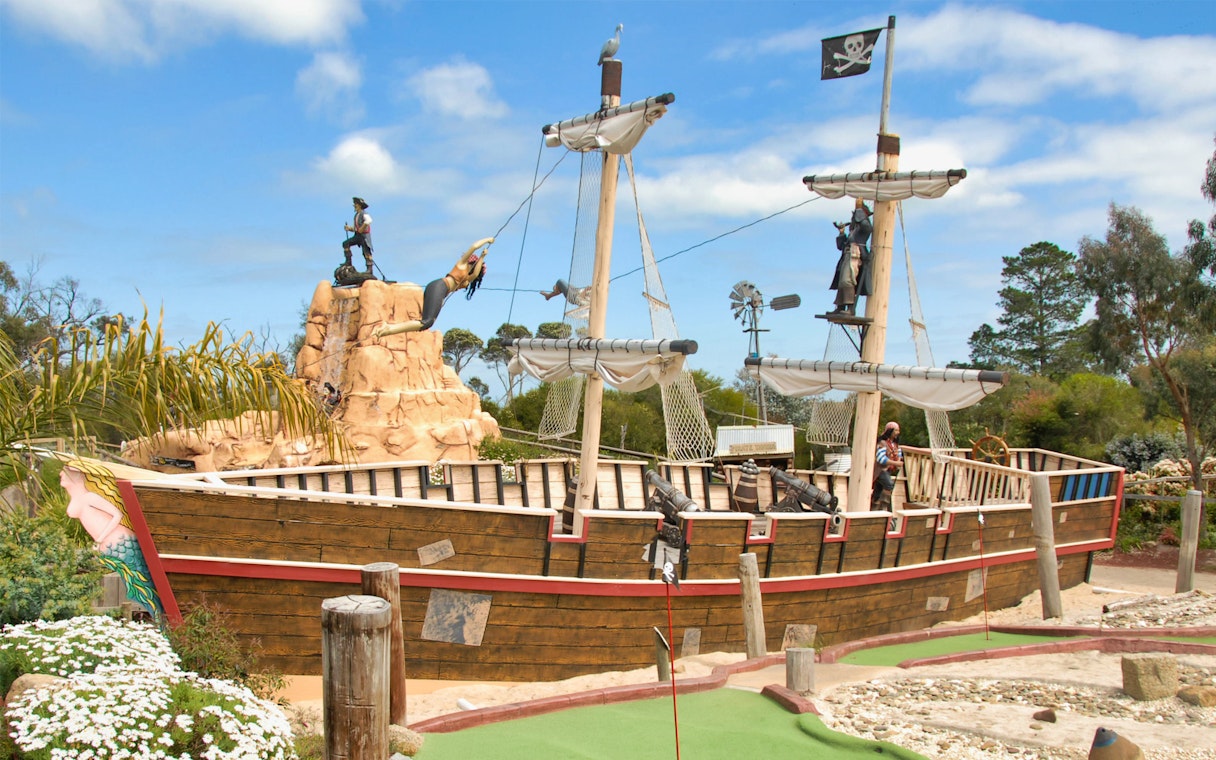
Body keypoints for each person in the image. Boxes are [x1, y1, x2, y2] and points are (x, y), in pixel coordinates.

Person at [61, 459, 162, 617]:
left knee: (142, 582)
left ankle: (160, 616)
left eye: (66, 471)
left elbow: (117, 514)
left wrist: (100, 538)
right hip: (109, 548)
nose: (61, 473)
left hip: (120, 543)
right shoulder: (80, 497)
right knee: (135, 583)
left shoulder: (90, 497)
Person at [374, 237, 494, 337]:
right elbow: (474, 247)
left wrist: (482, 257)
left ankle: (389, 329)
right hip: (439, 286)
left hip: (440, 290)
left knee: (426, 322)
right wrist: (487, 240)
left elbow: (475, 274)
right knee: (427, 322)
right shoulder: (461, 265)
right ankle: (388, 328)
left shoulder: (467, 280)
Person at [828, 198, 873, 314]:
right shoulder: (853, 232)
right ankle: (840, 307)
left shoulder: (864, 229)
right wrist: (842, 233)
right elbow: (841, 246)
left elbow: (867, 227)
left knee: (848, 280)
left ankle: (850, 308)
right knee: (842, 282)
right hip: (847, 255)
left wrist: (859, 208)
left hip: (855, 255)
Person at [871, 421, 903, 510]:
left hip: (888, 471)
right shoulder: (882, 443)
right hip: (881, 470)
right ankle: (884, 507)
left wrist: (898, 461)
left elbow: (898, 455)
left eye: (898, 430)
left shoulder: (895, 445)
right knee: (889, 485)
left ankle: (874, 508)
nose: (897, 433)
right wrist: (895, 463)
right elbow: (881, 458)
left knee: (878, 490)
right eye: (896, 430)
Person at [343, 197, 374, 274]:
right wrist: (349, 228)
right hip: (358, 236)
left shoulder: (364, 213)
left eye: (356, 204)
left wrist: (362, 228)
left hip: (364, 236)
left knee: (366, 252)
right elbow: (355, 228)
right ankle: (348, 262)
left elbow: (369, 220)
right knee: (346, 243)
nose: (354, 205)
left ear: (360, 205)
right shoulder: (356, 215)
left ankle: (369, 268)